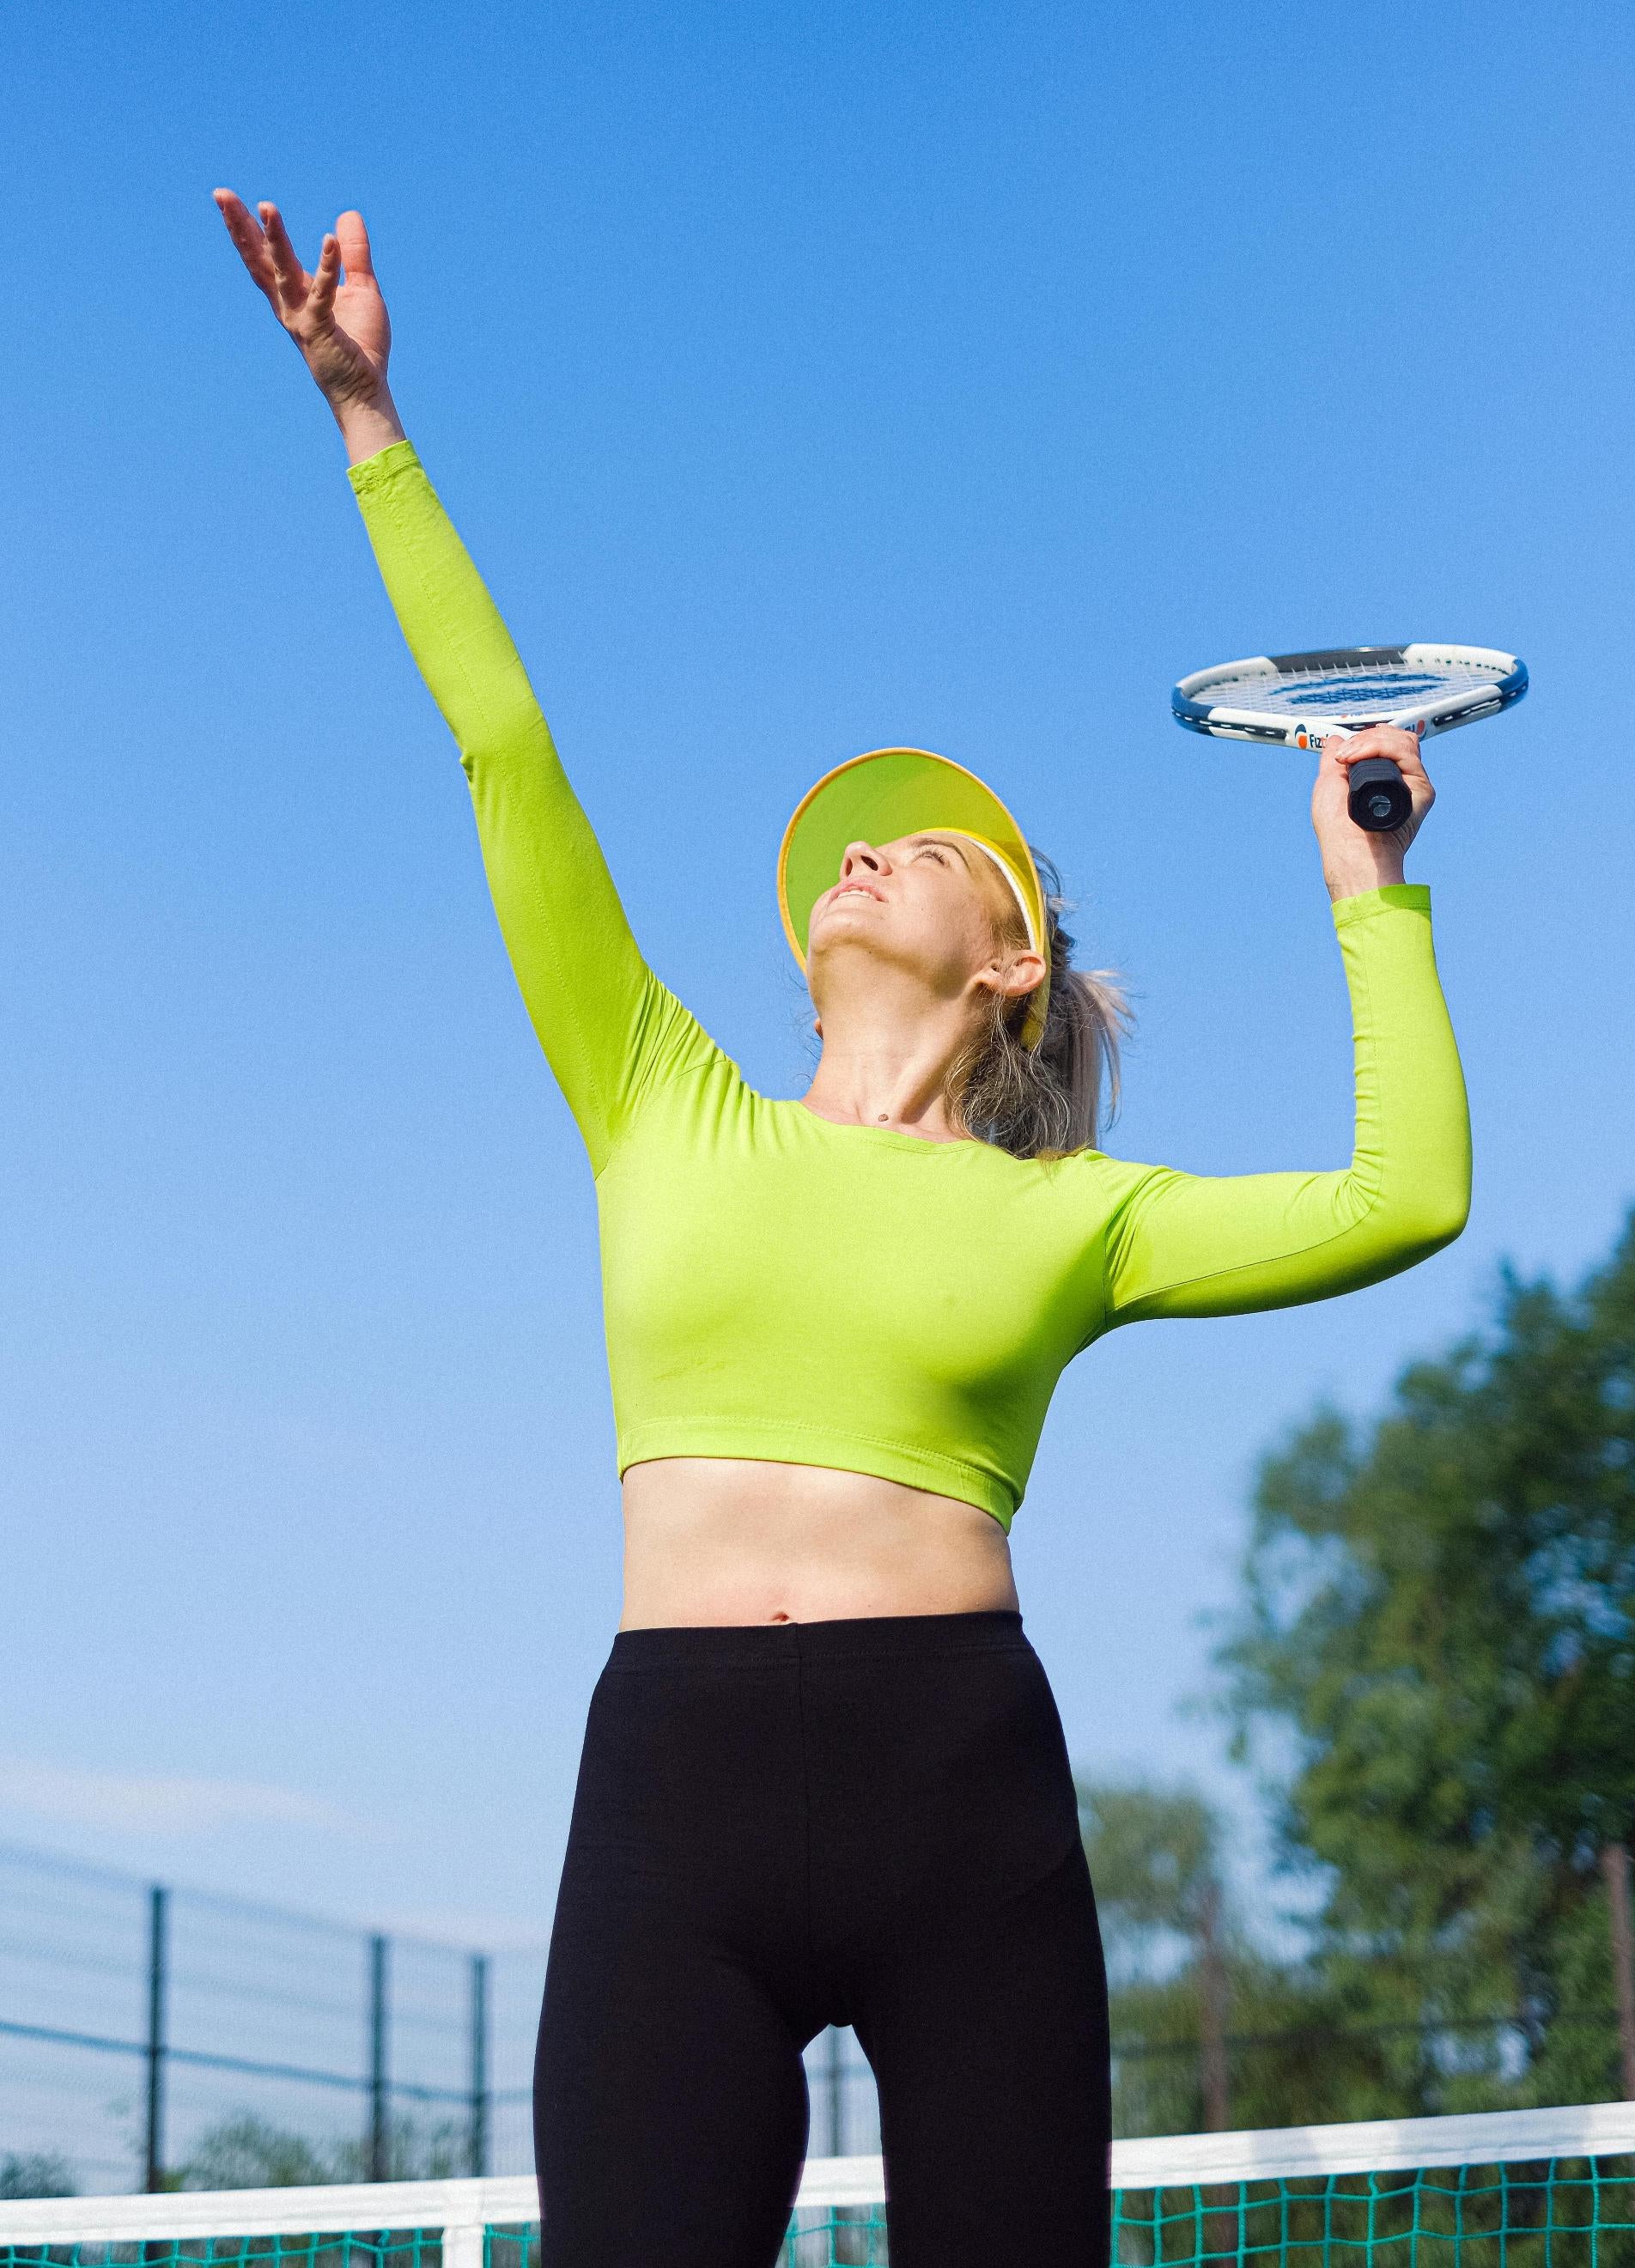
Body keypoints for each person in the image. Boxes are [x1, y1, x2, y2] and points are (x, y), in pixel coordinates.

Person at [214, 193, 1471, 2268]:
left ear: (1010, 963)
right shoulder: (654, 1096)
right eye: (845, 845)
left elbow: (1400, 1196)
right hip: (670, 1799)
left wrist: (1373, 891)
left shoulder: (1071, 1217)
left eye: (933, 842)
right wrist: (371, 424)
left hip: (958, 1796)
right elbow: (505, 749)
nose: (869, 844)